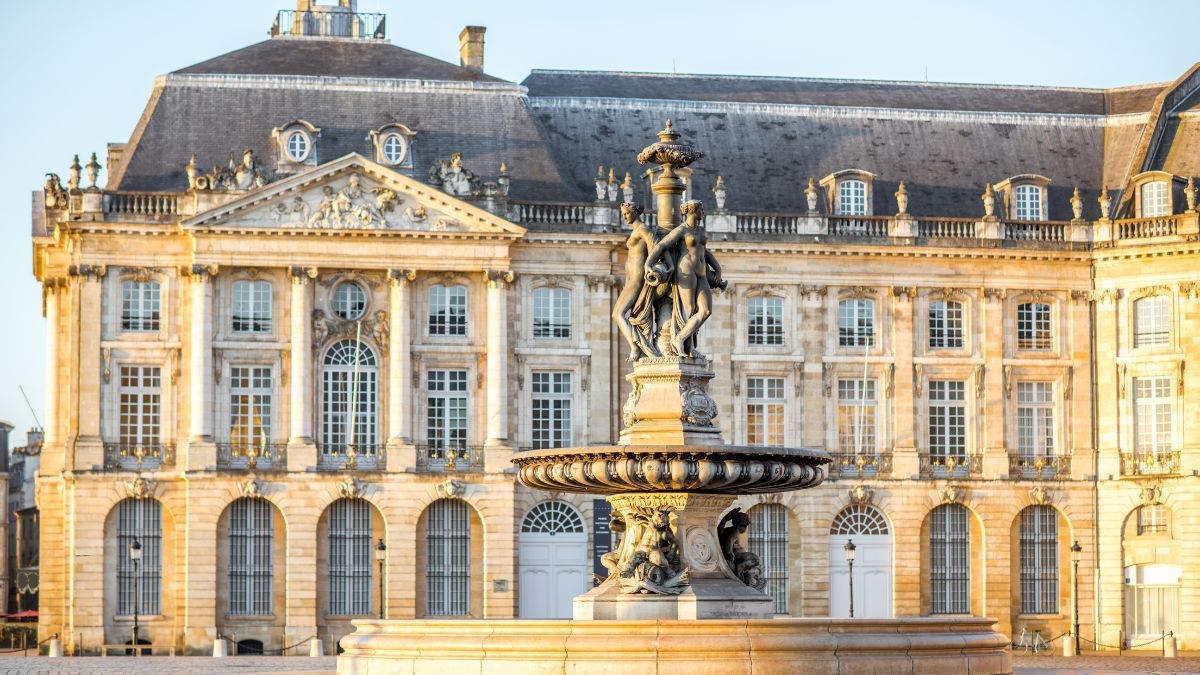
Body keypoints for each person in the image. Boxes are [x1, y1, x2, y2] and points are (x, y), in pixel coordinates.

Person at [644, 200, 724, 357]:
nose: (703, 212)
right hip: (686, 270)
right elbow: (662, 245)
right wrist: (649, 263)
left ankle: (680, 337)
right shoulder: (682, 229)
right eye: (701, 209)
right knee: (688, 309)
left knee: (705, 310)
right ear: (693, 211)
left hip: (702, 272)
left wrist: (718, 268)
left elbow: (704, 251)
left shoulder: (700, 230)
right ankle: (686, 346)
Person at [612, 203, 666, 360]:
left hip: (637, 279)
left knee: (617, 314)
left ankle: (635, 346)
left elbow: (657, 247)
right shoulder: (636, 230)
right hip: (631, 280)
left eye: (627, 213)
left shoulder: (643, 229)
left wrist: (651, 265)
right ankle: (637, 345)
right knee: (621, 314)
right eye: (623, 214)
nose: (625, 217)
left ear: (635, 212)